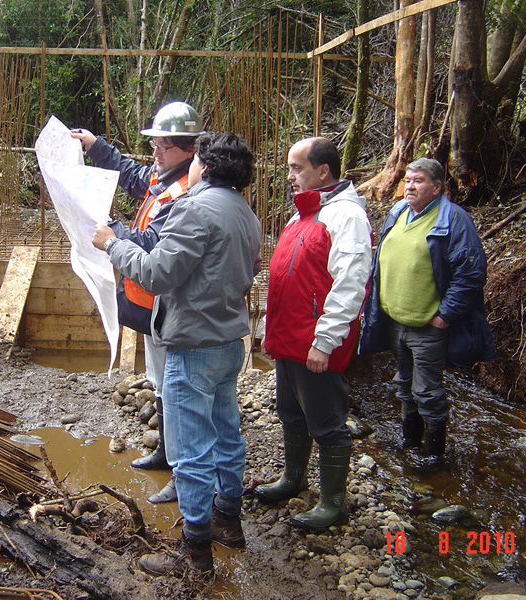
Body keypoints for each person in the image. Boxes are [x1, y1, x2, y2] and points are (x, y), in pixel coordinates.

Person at [91, 132, 261, 577]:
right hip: (228, 343)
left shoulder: (193, 208)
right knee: (226, 433)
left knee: (189, 451)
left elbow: (155, 274)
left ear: (204, 164)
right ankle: (229, 520)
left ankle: (195, 550)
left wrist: (113, 244)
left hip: (193, 345)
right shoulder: (246, 213)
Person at [71, 101, 203, 504]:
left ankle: (182, 472)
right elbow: (132, 175)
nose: (155, 153)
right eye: (155, 146)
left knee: (175, 389)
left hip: (169, 306)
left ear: (187, 150)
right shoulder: (165, 177)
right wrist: (96, 145)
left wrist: (113, 231)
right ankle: (166, 453)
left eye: (162, 146)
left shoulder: (185, 192)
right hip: (150, 303)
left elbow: (152, 245)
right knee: (162, 384)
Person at [255, 137, 372, 531]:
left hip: (315, 344)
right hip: (290, 340)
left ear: (323, 171)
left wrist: (325, 342)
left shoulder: (345, 217)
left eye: (296, 168)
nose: (289, 176)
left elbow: (350, 284)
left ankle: (333, 502)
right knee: (291, 414)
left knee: (327, 423)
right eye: (289, 168)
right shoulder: (301, 215)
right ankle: (294, 479)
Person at [358, 158, 494, 462]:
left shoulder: (455, 219)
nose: (410, 186)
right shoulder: (398, 212)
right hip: (394, 321)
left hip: (428, 324)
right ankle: (409, 442)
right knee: (403, 384)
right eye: (407, 180)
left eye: (418, 181)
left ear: (437, 187)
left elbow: (471, 273)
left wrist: (445, 316)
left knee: (427, 390)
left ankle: (434, 455)